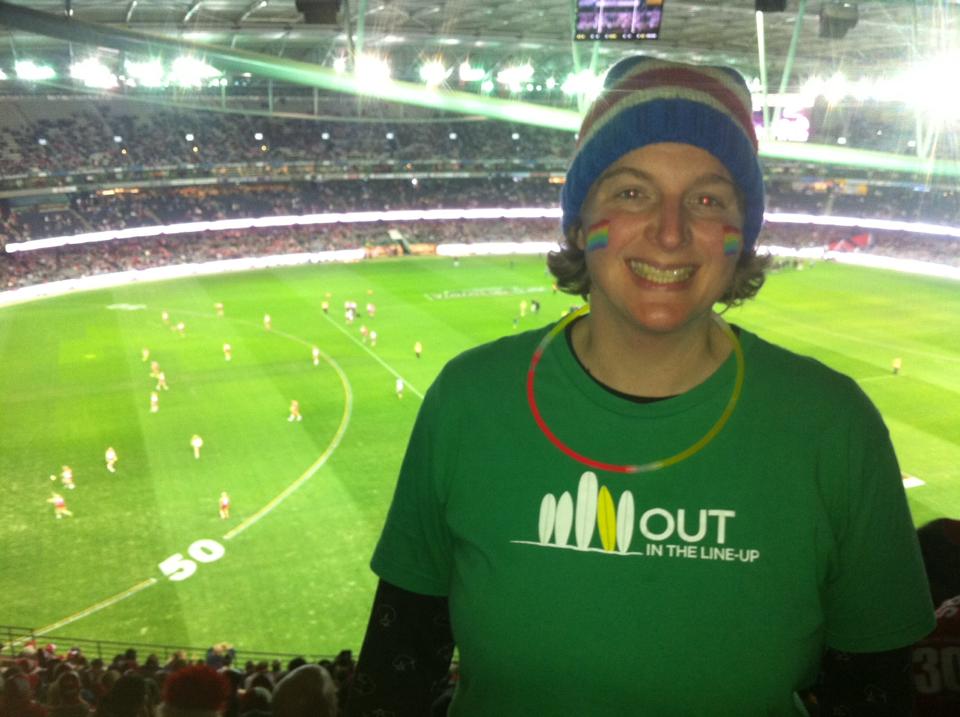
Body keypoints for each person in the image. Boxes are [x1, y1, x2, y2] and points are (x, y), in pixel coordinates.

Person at [347, 56, 934, 716]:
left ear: (743, 234)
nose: (671, 230)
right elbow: (391, 680)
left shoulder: (835, 427)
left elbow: (875, 694)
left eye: (710, 199)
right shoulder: (468, 401)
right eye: (631, 191)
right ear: (579, 219)